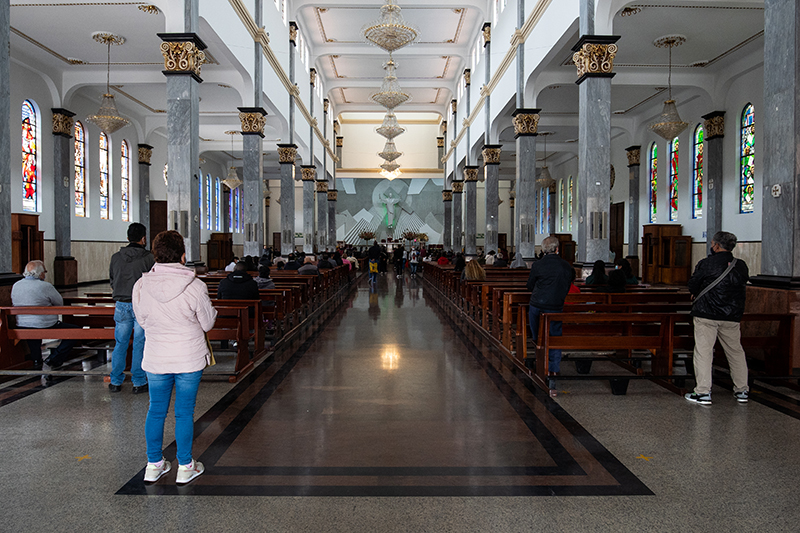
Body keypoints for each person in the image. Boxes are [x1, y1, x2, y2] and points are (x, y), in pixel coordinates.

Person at [133, 230, 217, 484]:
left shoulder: (141, 285)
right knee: (183, 412)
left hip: (157, 356)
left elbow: (142, 320)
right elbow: (207, 323)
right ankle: (185, 466)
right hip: (188, 357)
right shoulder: (194, 285)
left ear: (156, 254)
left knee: (156, 410)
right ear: (182, 255)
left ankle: (153, 464)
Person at [684, 231, 750, 406]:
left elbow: (692, 285)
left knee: (704, 352)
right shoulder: (741, 265)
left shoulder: (707, 263)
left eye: (712, 243)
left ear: (717, 245)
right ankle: (742, 390)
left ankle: (703, 392)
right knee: (735, 352)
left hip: (707, 313)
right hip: (732, 315)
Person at [108, 222, 155, 393]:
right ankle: (138, 381)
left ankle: (115, 381)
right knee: (140, 343)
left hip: (121, 304)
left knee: (120, 343)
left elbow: (112, 280)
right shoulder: (149, 258)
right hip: (141, 304)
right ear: (143, 239)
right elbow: (153, 282)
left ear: (128, 238)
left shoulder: (116, 257)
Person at [526, 236, 574, 392]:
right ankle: (553, 369)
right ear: (557, 249)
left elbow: (529, 286)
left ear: (543, 250)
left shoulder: (538, 265)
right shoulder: (566, 266)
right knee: (554, 337)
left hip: (537, 305)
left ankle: (540, 363)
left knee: (537, 336)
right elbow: (568, 283)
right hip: (555, 306)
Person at [11, 260, 79, 370]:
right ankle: (54, 358)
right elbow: (59, 303)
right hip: (44, 324)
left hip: (22, 323)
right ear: (40, 273)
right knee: (76, 331)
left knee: (32, 330)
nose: (45, 274)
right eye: (44, 271)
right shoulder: (45, 286)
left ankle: (36, 359)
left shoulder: (16, 285)